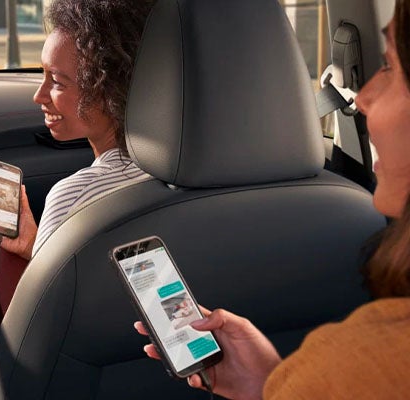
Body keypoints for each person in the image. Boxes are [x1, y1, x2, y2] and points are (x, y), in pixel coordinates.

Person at [136, 1, 410, 398]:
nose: (362, 98)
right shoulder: (353, 212)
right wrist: (274, 384)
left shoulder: (360, 365)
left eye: (389, 67)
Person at [0, 0, 153, 261]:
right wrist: (33, 245)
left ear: (110, 91)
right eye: (42, 74)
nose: (39, 95)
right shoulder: (191, 178)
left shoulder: (75, 196)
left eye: (56, 81)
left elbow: (45, 303)